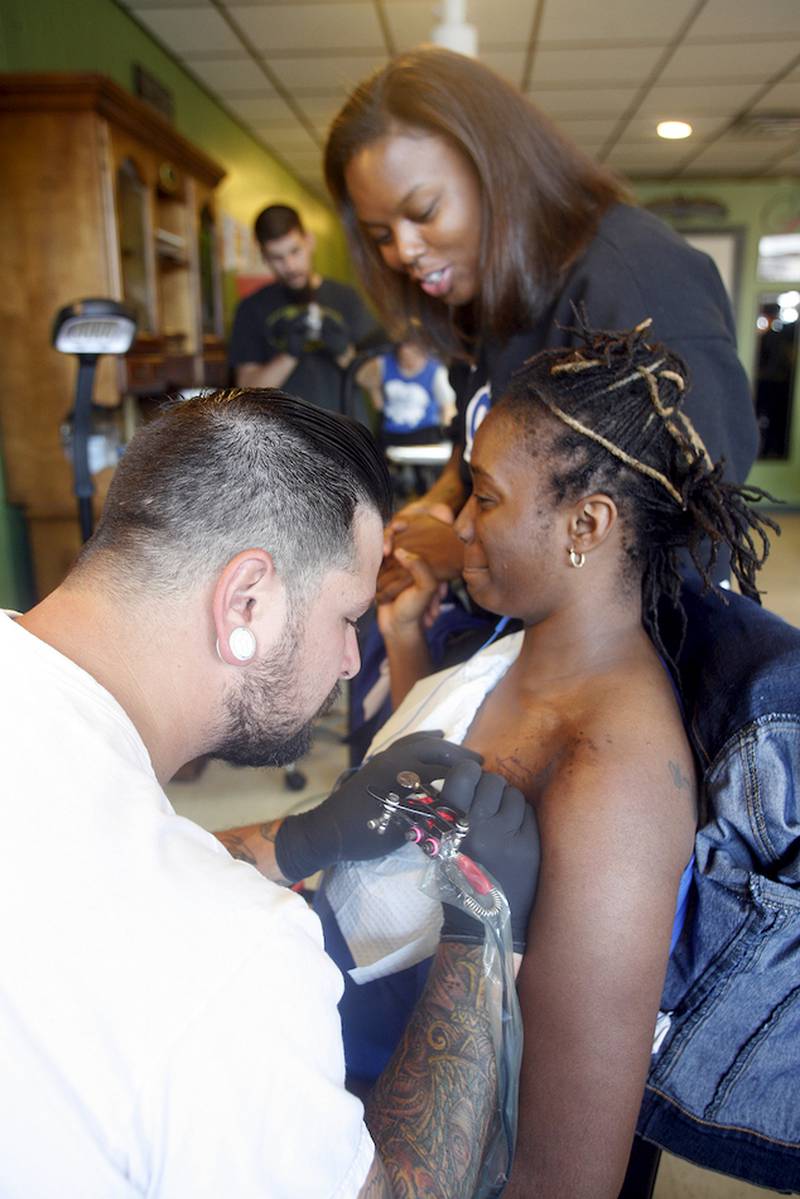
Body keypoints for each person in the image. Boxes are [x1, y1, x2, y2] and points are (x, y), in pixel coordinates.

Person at [0, 388, 539, 1198]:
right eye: (348, 616)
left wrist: (298, 840)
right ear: (245, 601)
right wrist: (480, 934)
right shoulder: (234, 961)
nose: (354, 661)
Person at [315, 319, 778, 1199]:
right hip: (354, 1080)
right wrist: (406, 639)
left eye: (483, 497)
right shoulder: (522, 643)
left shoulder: (614, 778)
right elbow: (444, 775)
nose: (455, 522)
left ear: (586, 523)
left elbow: (565, 1174)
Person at [323, 46, 759, 601]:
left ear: (498, 169)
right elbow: (479, 455)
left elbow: (675, 551)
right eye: (381, 235)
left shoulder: (636, 283)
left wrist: (463, 554)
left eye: (425, 212)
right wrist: (433, 510)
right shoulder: (491, 295)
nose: (404, 251)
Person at [228, 204, 381, 413]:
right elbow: (245, 392)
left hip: (345, 436)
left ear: (309, 241)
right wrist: (289, 355)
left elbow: (375, 382)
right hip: (284, 440)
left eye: (295, 251)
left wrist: (344, 352)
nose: (290, 266)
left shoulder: (347, 299)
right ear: (263, 256)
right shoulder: (251, 308)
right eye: (277, 258)